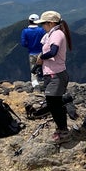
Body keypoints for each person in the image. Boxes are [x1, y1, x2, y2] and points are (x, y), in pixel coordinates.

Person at [34, 10, 73, 143]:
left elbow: (53, 52)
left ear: (50, 23)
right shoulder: (51, 34)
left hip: (56, 74)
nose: (42, 26)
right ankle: (61, 129)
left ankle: (64, 131)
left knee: (53, 104)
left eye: (43, 23)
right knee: (54, 103)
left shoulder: (57, 34)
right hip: (51, 74)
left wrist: (40, 58)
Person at [20, 13, 45, 89]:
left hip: (32, 53)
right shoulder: (42, 30)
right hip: (42, 53)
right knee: (44, 68)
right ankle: (46, 83)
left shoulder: (25, 31)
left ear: (29, 21)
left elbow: (23, 43)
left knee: (33, 69)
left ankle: (35, 85)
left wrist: (30, 46)